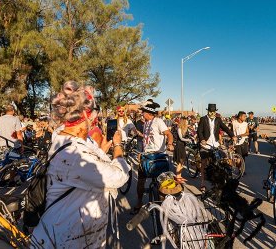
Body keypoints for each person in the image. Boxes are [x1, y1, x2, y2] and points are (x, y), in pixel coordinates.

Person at [31, 81, 130, 248]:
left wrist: (104, 151)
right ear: (85, 114)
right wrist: (118, 147)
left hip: (75, 235)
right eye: (94, 111)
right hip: (66, 240)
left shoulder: (64, 135)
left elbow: (92, 151)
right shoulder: (74, 155)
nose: (95, 117)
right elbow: (119, 176)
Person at [132, 99, 174, 214]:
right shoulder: (146, 123)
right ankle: (139, 202)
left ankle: (167, 204)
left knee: (164, 182)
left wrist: (169, 144)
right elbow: (147, 139)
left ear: (148, 113)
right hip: (146, 156)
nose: (142, 114)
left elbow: (169, 134)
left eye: (143, 112)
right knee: (140, 180)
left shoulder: (159, 122)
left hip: (158, 156)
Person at [197, 104, 235, 192]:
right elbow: (199, 131)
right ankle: (202, 183)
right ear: (208, 111)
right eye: (210, 111)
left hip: (215, 145)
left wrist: (232, 135)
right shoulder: (203, 119)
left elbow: (225, 128)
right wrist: (202, 139)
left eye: (213, 112)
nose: (212, 113)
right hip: (205, 145)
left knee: (217, 164)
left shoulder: (218, 119)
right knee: (204, 163)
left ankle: (216, 183)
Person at [174, 117, 192, 182]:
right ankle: (177, 177)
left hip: (182, 146)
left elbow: (190, 135)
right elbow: (181, 138)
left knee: (182, 162)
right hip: (179, 146)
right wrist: (188, 140)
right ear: (184, 122)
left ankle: (180, 176)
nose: (188, 122)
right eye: (187, 121)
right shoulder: (179, 128)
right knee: (179, 162)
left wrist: (192, 137)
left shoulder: (185, 129)